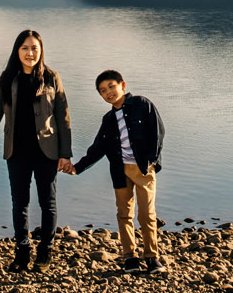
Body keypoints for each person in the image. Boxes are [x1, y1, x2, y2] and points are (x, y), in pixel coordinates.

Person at [0, 29, 73, 272]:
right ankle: (22, 252)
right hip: (17, 152)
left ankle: (45, 251)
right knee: (20, 203)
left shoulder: (52, 78)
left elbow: (63, 117)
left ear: (41, 51)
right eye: (25, 48)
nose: (30, 53)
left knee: (48, 202)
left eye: (34, 48)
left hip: (48, 151)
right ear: (17, 51)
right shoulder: (7, 79)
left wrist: (65, 154)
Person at [68, 69, 167, 273]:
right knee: (124, 214)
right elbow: (98, 148)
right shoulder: (108, 120)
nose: (109, 92)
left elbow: (157, 132)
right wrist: (77, 168)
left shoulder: (142, 104)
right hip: (120, 171)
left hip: (142, 168)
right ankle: (130, 257)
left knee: (147, 214)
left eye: (111, 86)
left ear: (122, 85)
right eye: (103, 91)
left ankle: (151, 257)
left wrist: (151, 161)